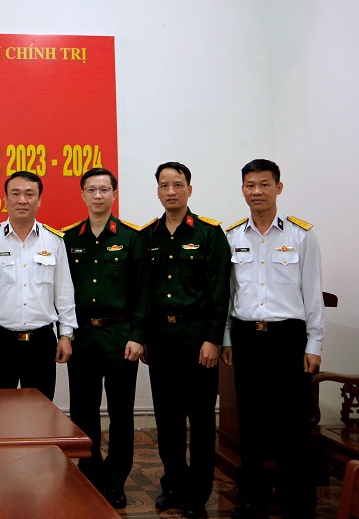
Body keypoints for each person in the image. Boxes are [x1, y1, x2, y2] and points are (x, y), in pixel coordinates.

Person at [220, 159, 324, 519]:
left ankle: (297, 500)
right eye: (250, 185)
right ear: (242, 190)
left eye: (264, 184)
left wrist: (314, 343)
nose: (257, 192)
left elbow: (313, 291)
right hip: (247, 337)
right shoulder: (232, 236)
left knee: (292, 422)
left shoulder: (300, 235)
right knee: (251, 422)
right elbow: (229, 294)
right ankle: (253, 498)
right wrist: (227, 338)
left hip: (288, 338)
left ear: (278, 188)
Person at [143, 162, 230, 519]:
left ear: (189, 189)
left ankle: (198, 492)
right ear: (158, 191)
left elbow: (220, 291)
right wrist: (144, 337)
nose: (171, 191)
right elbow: (144, 292)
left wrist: (213, 339)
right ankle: (173, 486)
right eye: (164, 185)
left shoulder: (209, 233)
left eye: (178, 184)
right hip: (161, 339)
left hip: (197, 340)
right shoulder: (148, 235)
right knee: (168, 419)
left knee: (201, 419)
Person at [62, 167, 149, 509]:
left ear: (114, 193)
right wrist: (65, 333)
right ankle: (90, 474)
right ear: (82, 194)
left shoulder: (131, 238)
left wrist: (138, 335)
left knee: (121, 412)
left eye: (104, 189)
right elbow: (62, 292)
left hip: (119, 336)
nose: (97, 195)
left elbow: (142, 292)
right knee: (83, 411)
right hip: (83, 335)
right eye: (91, 189)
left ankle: (115, 481)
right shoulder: (70, 239)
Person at [0, 170, 77, 400]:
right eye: (15, 194)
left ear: (39, 199)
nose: (22, 200)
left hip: (41, 342)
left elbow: (64, 292)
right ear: (5, 200)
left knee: (41, 411)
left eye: (29, 194)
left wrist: (66, 334)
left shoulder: (54, 240)